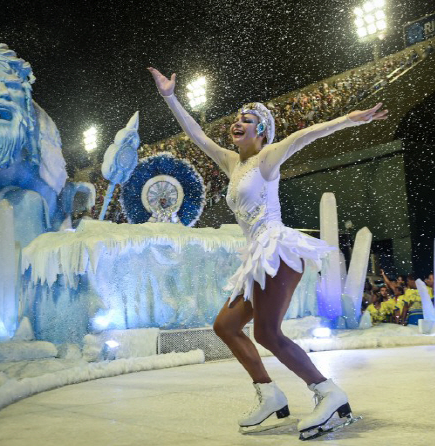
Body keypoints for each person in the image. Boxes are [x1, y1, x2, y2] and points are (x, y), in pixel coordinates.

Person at [148, 67, 387, 437]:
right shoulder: (232, 161)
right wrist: (169, 96)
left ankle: (328, 393)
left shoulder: (267, 158)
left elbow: (307, 134)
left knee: (267, 333)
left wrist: (349, 120)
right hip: (256, 256)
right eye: (237, 119)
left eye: (247, 120)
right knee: (225, 326)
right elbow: (195, 135)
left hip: (276, 250)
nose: (237, 124)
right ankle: (269, 394)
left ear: (261, 130)